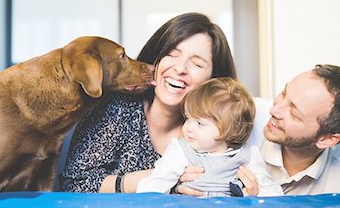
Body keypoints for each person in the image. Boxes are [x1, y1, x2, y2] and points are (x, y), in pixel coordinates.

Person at [60, 12, 238, 195]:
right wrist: (163, 177)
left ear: (214, 80)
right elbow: (74, 183)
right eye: (172, 55)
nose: (180, 69)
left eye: (197, 64)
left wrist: (247, 192)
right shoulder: (118, 107)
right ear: (157, 59)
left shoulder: (218, 130)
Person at [236, 64, 340, 195]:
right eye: (284, 93)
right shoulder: (240, 116)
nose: (274, 110)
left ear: (326, 139)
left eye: (294, 113)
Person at [136, 77, 283, 197]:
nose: (188, 127)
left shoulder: (247, 156)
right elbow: (159, 180)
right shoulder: (181, 150)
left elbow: (269, 188)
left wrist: (255, 196)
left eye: (199, 123)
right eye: (188, 118)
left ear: (231, 131)